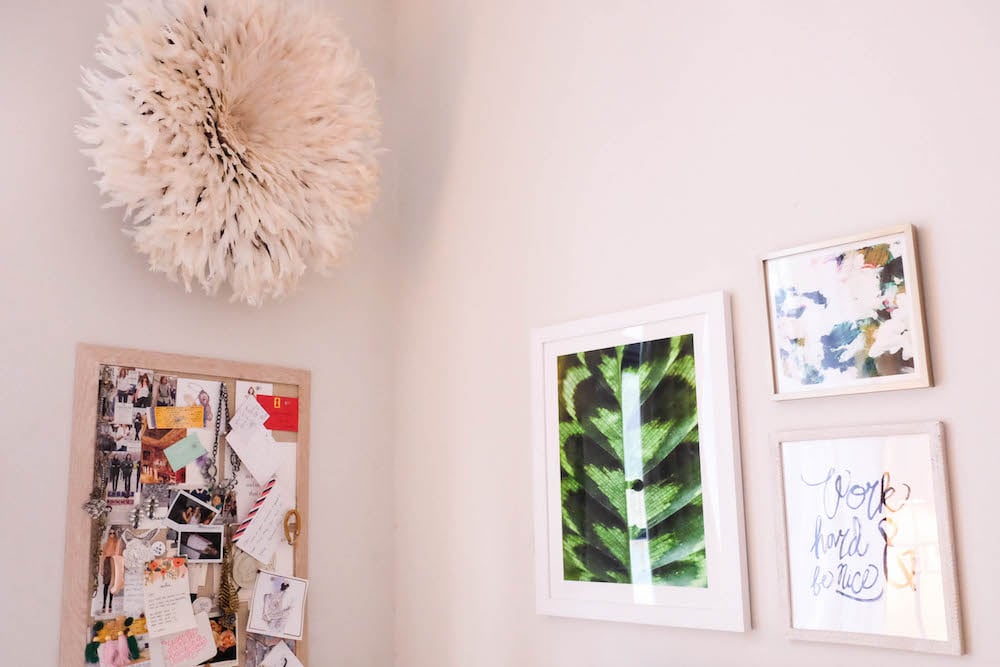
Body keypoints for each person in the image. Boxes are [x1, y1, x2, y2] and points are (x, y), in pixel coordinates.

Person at [99, 527, 125, 613]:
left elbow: (119, 554)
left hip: (114, 562)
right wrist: (101, 568)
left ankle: (110, 604)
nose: (112, 535)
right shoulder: (106, 544)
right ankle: (104, 604)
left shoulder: (117, 543)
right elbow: (103, 556)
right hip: (107, 562)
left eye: (113, 533)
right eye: (110, 533)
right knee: (106, 584)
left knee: (112, 584)